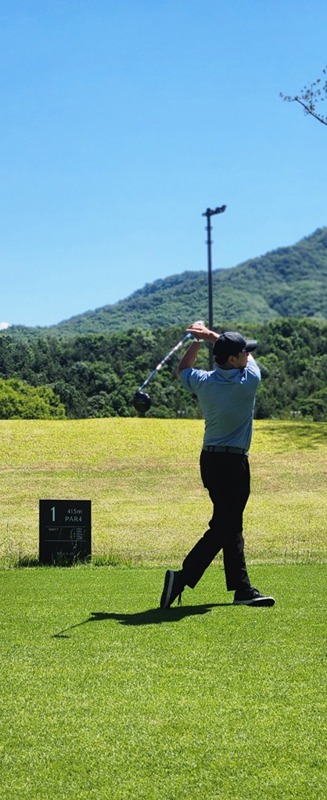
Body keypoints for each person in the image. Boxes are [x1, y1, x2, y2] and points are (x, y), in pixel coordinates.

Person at [160, 321, 275, 609]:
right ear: (234, 360)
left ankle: (242, 589)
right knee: (225, 525)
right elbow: (252, 365)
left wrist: (196, 341)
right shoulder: (248, 381)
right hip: (234, 462)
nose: (248, 356)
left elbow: (182, 370)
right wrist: (211, 336)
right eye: (244, 353)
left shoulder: (204, 381)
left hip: (210, 461)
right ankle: (182, 577)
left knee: (230, 522)